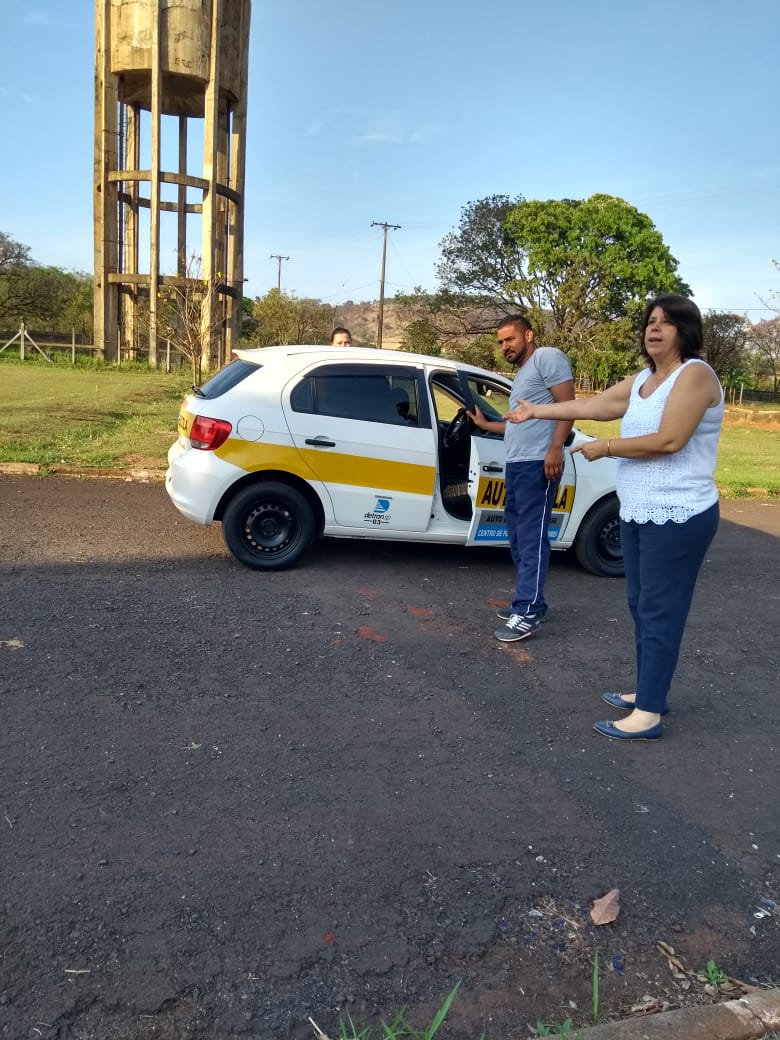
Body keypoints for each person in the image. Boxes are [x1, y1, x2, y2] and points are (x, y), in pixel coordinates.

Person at [506, 294, 724, 741]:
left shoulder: (695, 375)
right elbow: (595, 407)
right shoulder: (645, 378)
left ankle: (648, 714)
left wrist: (605, 447)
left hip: (679, 514)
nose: (654, 328)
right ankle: (649, 692)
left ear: (685, 330)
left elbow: (669, 440)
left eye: (666, 322)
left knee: (659, 609)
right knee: (640, 604)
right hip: (638, 509)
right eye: (650, 321)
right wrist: (537, 410)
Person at [468, 315, 575, 642]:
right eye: (501, 342)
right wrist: (486, 426)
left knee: (531, 538)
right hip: (517, 465)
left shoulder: (547, 358)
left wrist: (555, 448)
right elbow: (518, 424)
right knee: (517, 536)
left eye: (510, 339)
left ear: (528, 335)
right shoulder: (523, 374)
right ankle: (532, 602)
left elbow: (568, 406)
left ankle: (527, 611)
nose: (505, 346)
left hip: (537, 464)